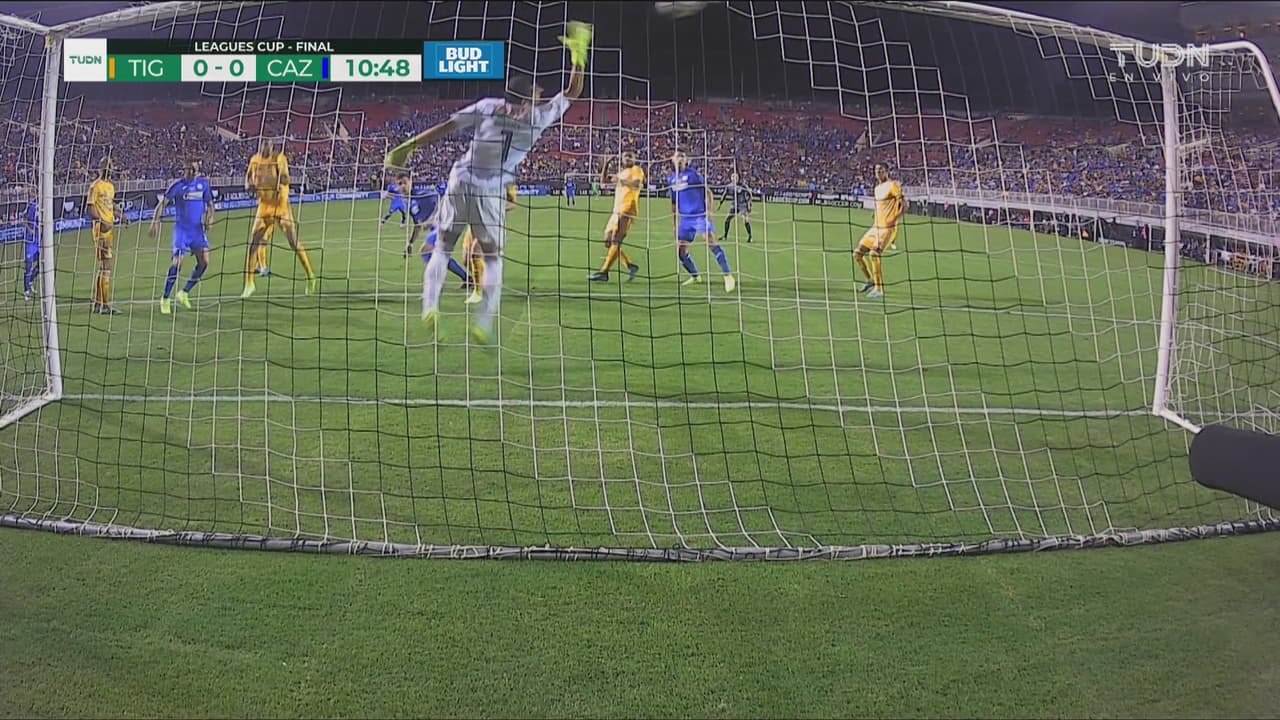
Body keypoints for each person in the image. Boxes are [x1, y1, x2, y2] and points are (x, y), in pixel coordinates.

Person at [152, 160, 214, 315]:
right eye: (189, 169)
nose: (192, 172)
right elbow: (162, 204)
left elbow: (210, 206)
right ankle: (165, 298)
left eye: (195, 169)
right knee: (177, 263)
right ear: (184, 169)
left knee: (204, 262)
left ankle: (184, 292)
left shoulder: (203, 185)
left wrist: (210, 218)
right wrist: (155, 222)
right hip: (182, 231)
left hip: (197, 231)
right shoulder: (177, 186)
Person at [588, 151, 643, 283]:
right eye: (625, 156)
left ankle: (604, 272)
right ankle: (630, 265)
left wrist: (620, 181)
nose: (628, 158)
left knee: (616, 239)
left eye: (630, 156)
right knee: (608, 241)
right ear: (621, 159)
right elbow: (603, 183)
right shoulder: (621, 173)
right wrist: (606, 165)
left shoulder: (636, 170)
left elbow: (636, 184)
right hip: (616, 210)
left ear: (635, 159)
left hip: (628, 208)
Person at [854, 162, 904, 299]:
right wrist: (875, 213)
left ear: (887, 171)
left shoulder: (893, 185)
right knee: (857, 254)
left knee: (874, 254)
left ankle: (879, 289)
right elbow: (881, 206)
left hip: (887, 228)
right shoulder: (877, 188)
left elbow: (905, 205)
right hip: (875, 227)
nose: (878, 172)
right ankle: (870, 280)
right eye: (876, 170)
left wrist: (894, 219)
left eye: (881, 170)